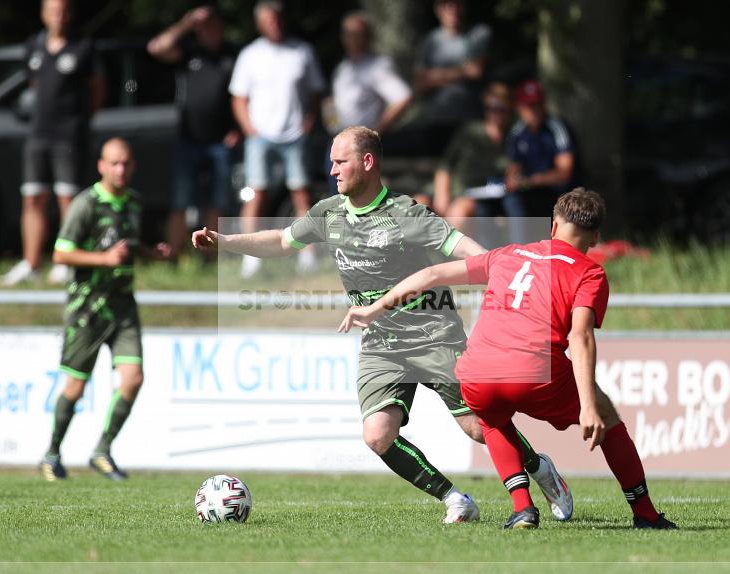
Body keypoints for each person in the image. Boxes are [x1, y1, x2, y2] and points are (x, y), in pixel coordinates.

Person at [193, 126, 573, 524]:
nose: (332, 169)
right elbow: (282, 242)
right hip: (380, 342)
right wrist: (226, 241)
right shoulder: (329, 213)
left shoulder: (406, 214)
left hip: (434, 335)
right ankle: (454, 499)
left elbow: (469, 254)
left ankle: (540, 468)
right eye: (332, 161)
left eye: (340, 161)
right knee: (377, 435)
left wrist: (509, 279)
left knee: (478, 429)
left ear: (367, 162)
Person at [340, 187, 677, 530]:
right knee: (608, 418)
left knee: (491, 417)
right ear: (595, 237)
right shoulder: (589, 272)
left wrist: (374, 308)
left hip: (475, 371)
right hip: (534, 373)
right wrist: (589, 405)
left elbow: (431, 276)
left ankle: (523, 510)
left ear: (553, 226)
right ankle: (646, 514)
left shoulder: (510, 254)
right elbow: (580, 336)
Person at [39, 138, 172, 482]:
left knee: (133, 378)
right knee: (75, 387)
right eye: (114, 163)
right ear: (101, 165)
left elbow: (125, 247)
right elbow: (60, 253)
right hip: (88, 309)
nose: (120, 169)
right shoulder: (86, 204)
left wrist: (150, 252)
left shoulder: (134, 203)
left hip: (123, 305)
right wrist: (103, 259)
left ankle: (102, 450)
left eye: (126, 163)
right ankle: (52, 454)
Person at [1, 0, 105, 286]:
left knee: (67, 200)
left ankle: (66, 260)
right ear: (43, 14)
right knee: (33, 197)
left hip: (69, 136)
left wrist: (82, 119)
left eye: (64, 11)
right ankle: (30, 263)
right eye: (53, 11)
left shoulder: (83, 48)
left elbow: (98, 88)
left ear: (70, 14)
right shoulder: (33, 46)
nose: (59, 17)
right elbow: (34, 84)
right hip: (38, 135)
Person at [229, 0, 326, 278]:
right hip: (260, 136)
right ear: (260, 24)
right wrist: (250, 129)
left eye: (279, 19)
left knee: (301, 194)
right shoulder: (250, 55)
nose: (276, 25)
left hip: (295, 136)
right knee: (255, 193)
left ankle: (306, 256)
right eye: (270, 21)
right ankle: (251, 258)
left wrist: (308, 122)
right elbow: (238, 97)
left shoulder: (302, 51)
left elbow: (316, 91)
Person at [147, 5, 240, 260]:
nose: (210, 31)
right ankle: (173, 255)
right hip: (188, 139)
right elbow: (156, 48)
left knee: (218, 201)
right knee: (180, 201)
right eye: (204, 27)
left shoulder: (232, 55)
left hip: (222, 140)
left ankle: (211, 257)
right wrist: (186, 22)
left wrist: (238, 128)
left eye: (214, 25)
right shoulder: (189, 52)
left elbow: (245, 95)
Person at [325, 10, 412, 191]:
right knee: (340, 200)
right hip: (339, 140)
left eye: (358, 33)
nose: (353, 38)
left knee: (360, 200)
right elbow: (333, 102)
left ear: (368, 36)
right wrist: (331, 124)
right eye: (349, 33)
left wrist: (376, 130)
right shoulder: (343, 67)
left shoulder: (378, 66)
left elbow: (403, 97)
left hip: (361, 146)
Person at [426, 82, 514, 238]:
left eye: (501, 109)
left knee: (459, 213)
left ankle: (444, 259)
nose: (496, 114)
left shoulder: (514, 137)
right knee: (416, 206)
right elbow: (445, 166)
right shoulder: (470, 131)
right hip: (447, 190)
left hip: (476, 197)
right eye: (491, 108)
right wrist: (442, 196)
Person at [412, 0, 490, 153]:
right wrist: (462, 71)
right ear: (437, 10)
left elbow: (475, 72)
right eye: (447, 5)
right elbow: (420, 84)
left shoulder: (478, 34)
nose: (452, 9)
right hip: (437, 121)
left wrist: (434, 75)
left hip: (471, 121)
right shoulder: (428, 41)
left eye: (457, 4)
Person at [502, 79, 576, 241]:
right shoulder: (517, 133)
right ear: (519, 108)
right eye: (529, 106)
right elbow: (513, 169)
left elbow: (565, 173)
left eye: (537, 105)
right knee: (504, 201)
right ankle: (516, 251)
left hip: (557, 194)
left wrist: (533, 181)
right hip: (530, 194)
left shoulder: (557, 128)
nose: (533, 111)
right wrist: (515, 180)